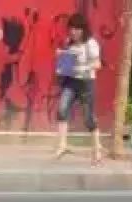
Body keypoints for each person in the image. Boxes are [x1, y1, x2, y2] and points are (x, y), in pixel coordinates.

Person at [53, 13, 102, 165]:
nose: (72, 32)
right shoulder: (69, 42)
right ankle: (62, 145)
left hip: (86, 83)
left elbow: (98, 64)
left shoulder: (91, 44)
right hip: (71, 82)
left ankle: (97, 151)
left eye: (76, 29)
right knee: (62, 109)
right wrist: (60, 58)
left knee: (89, 118)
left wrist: (85, 68)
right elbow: (66, 63)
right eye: (71, 29)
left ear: (83, 30)